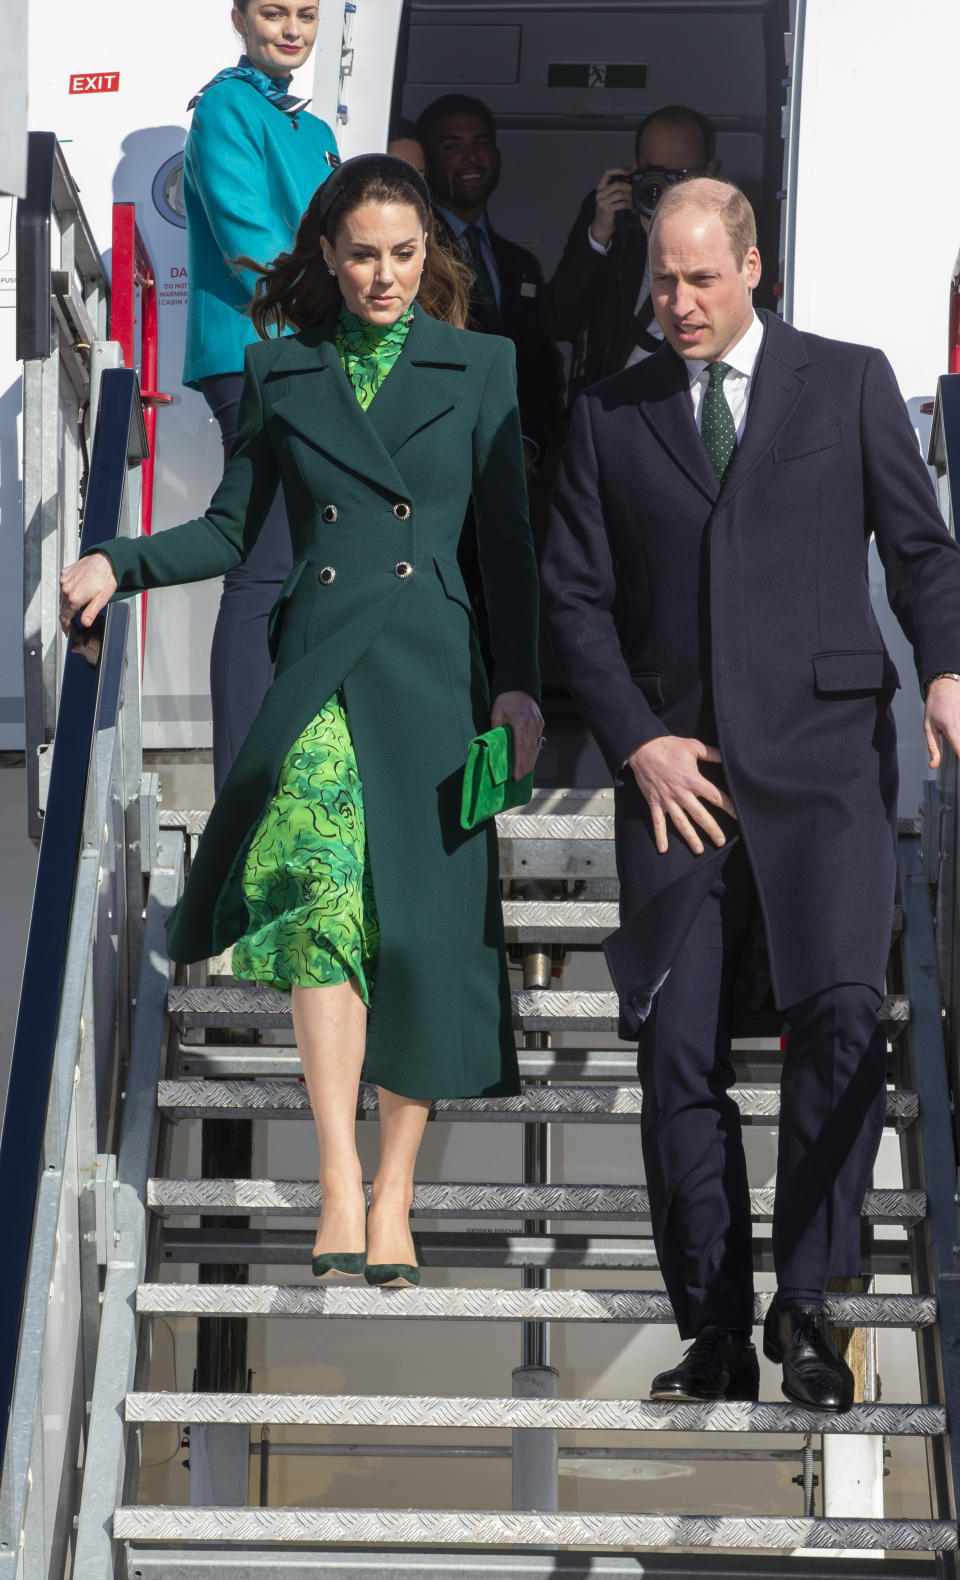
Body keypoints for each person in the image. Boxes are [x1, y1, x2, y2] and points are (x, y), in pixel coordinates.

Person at [61, 154, 542, 1289]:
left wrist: (518, 686)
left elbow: (508, 546)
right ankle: (336, 1176)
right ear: (327, 256)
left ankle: (395, 1194)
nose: (384, 275)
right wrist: (118, 561)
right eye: (364, 253)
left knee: (423, 934)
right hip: (323, 664)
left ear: (431, 259)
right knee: (323, 901)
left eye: (405, 254)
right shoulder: (281, 372)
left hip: (433, 667)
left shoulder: (482, 365)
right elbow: (233, 532)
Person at [542, 177, 960, 1411]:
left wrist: (944, 667)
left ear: (754, 268)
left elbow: (923, 548)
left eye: (700, 278)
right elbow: (571, 599)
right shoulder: (610, 414)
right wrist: (636, 741)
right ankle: (716, 1325)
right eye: (661, 280)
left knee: (841, 1022)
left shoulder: (847, 379)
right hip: (680, 784)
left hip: (826, 766)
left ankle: (811, 1309)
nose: (676, 301)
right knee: (677, 1053)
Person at [182, 0, 340, 793]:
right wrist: (340, 315)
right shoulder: (223, 107)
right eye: (274, 11)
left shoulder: (316, 133)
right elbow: (250, 245)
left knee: (301, 563)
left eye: (306, 14)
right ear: (237, 16)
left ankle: (283, 765)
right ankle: (245, 783)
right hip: (255, 357)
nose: (291, 29)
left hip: (313, 357)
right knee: (265, 560)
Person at [415, 93, 563, 471]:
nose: (471, 158)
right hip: (435, 461)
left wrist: (527, 441)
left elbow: (538, 364)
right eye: (453, 146)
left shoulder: (520, 264)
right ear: (428, 164)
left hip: (511, 465)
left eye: (482, 144)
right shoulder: (413, 256)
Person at [539, 105, 718, 402]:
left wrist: (667, 246)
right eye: (657, 175)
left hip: (692, 404)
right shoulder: (616, 220)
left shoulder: (729, 228)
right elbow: (559, 322)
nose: (669, 190)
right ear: (634, 172)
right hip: (614, 404)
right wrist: (598, 237)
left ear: (711, 173)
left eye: (683, 175)